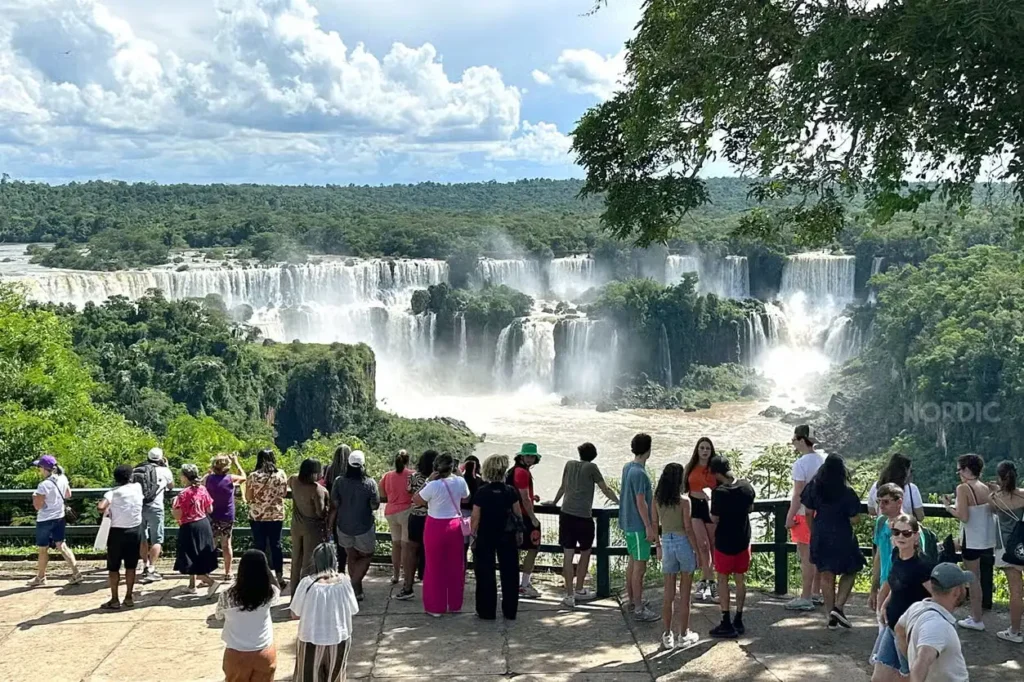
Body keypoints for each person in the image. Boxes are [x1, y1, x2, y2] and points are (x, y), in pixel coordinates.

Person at [800, 453, 865, 629]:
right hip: (842, 534)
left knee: (826, 575)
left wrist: (815, 530)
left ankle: (831, 615)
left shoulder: (813, 488)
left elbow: (807, 512)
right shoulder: (846, 492)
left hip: (821, 533)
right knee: (851, 569)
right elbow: (855, 518)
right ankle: (839, 607)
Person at [550, 442, 619, 607]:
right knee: (585, 552)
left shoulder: (569, 464)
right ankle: (579, 589)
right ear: (594, 455)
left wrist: (553, 503)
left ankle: (569, 595)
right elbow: (605, 489)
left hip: (566, 514)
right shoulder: (592, 468)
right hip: (583, 517)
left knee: (568, 554)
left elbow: (563, 487)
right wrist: (620, 502)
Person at [871, 514, 936, 682]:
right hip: (891, 626)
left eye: (906, 533)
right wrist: (886, 603)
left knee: (908, 676)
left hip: (908, 632)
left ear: (915, 536)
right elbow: (897, 585)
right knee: (878, 678)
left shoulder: (922, 566)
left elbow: (937, 598)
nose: (900, 536)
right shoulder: (895, 555)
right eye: (896, 532)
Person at [290, 543, 360, 682]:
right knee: (335, 678)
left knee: (307, 678)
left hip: (311, 639)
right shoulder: (344, 581)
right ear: (335, 560)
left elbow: (295, 614)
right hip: (339, 638)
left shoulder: (307, 583)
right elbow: (353, 609)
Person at [941, 452, 995, 631]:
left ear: (966, 469)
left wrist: (949, 508)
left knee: (973, 579)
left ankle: (976, 618)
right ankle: (977, 615)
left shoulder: (963, 488)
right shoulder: (985, 487)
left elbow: (964, 516)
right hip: (986, 539)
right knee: (979, 578)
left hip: (971, 540)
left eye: (959, 470)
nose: (959, 474)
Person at [414, 453, 471, 616]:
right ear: (452, 467)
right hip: (454, 526)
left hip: (435, 526)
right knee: (455, 565)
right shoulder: (460, 482)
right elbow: (466, 498)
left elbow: (416, 499)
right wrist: (460, 475)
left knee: (434, 566)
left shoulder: (433, 485)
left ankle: (435, 607)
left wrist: (427, 481)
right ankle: (454, 604)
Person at [896, 563, 971, 682]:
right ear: (956, 591)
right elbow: (922, 662)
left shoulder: (917, 607)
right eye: (963, 586)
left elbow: (899, 630)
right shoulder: (937, 625)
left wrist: (911, 658)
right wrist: (915, 664)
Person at [471, 454, 524, 621]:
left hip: (486, 535)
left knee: (485, 573)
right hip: (507, 535)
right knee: (510, 573)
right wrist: (520, 533)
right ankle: (510, 611)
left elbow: (475, 518)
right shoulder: (510, 491)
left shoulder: (482, 492)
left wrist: (473, 536)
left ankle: (486, 611)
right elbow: (518, 515)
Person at [652, 462, 699, 649]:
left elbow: (655, 524)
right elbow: (688, 528)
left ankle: (667, 634)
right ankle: (683, 634)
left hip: (666, 542)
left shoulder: (657, 500)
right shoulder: (684, 501)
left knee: (668, 594)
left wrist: (658, 545)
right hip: (682, 542)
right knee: (685, 594)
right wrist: (696, 550)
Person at [709, 455, 756, 639]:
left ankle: (726, 620)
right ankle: (739, 618)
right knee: (740, 579)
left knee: (722, 580)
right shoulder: (746, 487)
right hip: (743, 540)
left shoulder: (719, 493)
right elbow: (750, 508)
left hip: (724, 542)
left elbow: (715, 518)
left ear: (716, 473)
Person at [216, 549, 279, 682]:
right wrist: (269, 572)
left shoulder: (226, 595)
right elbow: (277, 586)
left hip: (236, 654)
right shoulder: (271, 593)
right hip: (264, 652)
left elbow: (218, 616)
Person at [785, 424, 826, 611]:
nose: (793, 443)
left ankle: (806, 597)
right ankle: (816, 593)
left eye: (794, 440)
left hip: (803, 514)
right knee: (817, 555)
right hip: (821, 513)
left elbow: (797, 493)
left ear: (802, 440)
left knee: (806, 558)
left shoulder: (800, 464)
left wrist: (789, 516)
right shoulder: (823, 460)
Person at [328, 450, 378, 600]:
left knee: (352, 555)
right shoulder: (370, 483)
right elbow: (375, 505)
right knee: (367, 555)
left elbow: (335, 502)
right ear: (363, 465)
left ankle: (357, 591)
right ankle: (352, 585)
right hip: (363, 526)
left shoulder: (339, 481)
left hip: (343, 526)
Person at [27, 454, 82, 587]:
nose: (38, 470)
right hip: (59, 518)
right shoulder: (62, 478)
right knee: (61, 545)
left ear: (44, 468)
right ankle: (76, 573)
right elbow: (68, 494)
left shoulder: (43, 485)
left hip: (45, 520)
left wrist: (35, 496)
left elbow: (37, 506)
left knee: (43, 549)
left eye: (39, 467)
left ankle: (41, 577)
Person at [620, 433, 659, 622]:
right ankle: (638, 608)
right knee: (639, 568)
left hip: (628, 523)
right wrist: (649, 527)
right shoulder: (640, 473)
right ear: (648, 450)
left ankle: (634, 601)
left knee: (632, 564)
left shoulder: (628, 467)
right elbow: (641, 502)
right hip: (638, 526)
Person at [97, 464, 144, 609]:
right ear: (130, 477)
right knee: (131, 566)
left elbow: (101, 507)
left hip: (117, 532)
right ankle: (129, 597)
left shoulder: (112, 492)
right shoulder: (137, 487)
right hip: (135, 530)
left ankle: (114, 599)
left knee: (113, 567)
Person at [868, 483, 905, 663]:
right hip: (884, 579)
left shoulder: (908, 526)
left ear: (899, 502)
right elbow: (879, 556)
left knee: (892, 625)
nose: (881, 506)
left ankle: (886, 663)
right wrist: (873, 587)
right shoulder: (881, 522)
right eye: (879, 502)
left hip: (899, 582)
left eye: (886, 502)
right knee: (882, 624)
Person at [988, 460, 1024, 643]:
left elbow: (993, 511)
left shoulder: (995, 498)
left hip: (1007, 548)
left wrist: (995, 490)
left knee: (1016, 591)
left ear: (999, 478)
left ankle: (1015, 631)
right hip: (1022, 544)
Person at [171, 464, 219, 596]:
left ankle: (211, 582)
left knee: (189, 556)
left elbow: (178, 515)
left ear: (185, 477)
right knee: (199, 554)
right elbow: (210, 509)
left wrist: (173, 507)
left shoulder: (182, 494)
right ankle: (192, 585)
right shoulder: (202, 489)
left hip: (189, 527)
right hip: (203, 524)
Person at [245, 448, 289, 591]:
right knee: (276, 545)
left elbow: (249, 497)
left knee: (259, 545)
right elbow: (283, 493)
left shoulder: (252, 476)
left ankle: (261, 577)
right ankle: (280, 577)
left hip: (257, 516)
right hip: (275, 515)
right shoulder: (280, 474)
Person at [397, 450, 436, 601]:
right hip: (433, 518)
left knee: (411, 551)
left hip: (416, 517)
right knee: (432, 552)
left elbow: (409, 492)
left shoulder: (413, 477)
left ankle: (408, 586)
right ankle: (432, 586)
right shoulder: (438, 479)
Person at [684, 437, 720, 602]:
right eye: (702, 448)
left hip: (711, 507)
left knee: (712, 546)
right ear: (697, 450)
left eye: (707, 448)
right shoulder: (690, 467)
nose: (705, 451)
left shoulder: (715, 468)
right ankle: (708, 581)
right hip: (695, 507)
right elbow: (683, 488)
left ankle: (708, 582)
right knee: (702, 546)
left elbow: (724, 486)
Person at [134, 447, 175, 584]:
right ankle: (151, 568)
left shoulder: (138, 469)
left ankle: (144, 565)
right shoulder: (165, 471)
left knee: (142, 538)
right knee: (156, 539)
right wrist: (167, 467)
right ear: (161, 458)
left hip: (139, 507)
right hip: (156, 508)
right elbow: (171, 486)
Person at [508, 443, 543, 599]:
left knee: (514, 549)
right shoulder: (523, 473)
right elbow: (524, 497)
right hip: (523, 516)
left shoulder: (513, 471)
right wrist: (533, 518)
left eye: (532, 456)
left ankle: (512, 581)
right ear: (521, 457)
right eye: (528, 456)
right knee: (533, 548)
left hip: (512, 515)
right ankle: (524, 584)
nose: (530, 459)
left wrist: (531, 496)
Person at [205, 453, 247, 581]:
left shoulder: (208, 478)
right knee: (226, 544)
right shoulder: (230, 478)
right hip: (227, 515)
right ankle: (228, 572)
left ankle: (207, 572)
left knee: (210, 544)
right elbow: (244, 477)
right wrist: (236, 462)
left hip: (211, 514)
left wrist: (209, 472)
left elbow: (200, 484)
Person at [291, 458, 330, 593]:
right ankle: (305, 594)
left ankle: (293, 593)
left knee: (295, 560)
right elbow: (320, 513)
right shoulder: (318, 490)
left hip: (296, 525)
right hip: (312, 528)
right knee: (308, 562)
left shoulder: (293, 480)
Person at [379, 450, 414, 585]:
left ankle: (395, 575)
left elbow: (382, 492)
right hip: (406, 511)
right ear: (407, 461)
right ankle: (407, 576)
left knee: (396, 544)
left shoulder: (387, 476)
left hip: (390, 511)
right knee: (406, 545)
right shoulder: (412, 475)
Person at [867, 453, 926, 521]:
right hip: (904, 528)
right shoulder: (912, 489)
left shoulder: (876, 487)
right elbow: (920, 516)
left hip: (883, 528)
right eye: (911, 471)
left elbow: (871, 510)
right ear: (906, 472)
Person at [325, 444, 352, 574]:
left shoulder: (329, 470)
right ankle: (343, 568)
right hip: (347, 510)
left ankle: (335, 568)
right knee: (347, 542)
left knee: (336, 540)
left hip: (333, 510)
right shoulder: (350, 471)